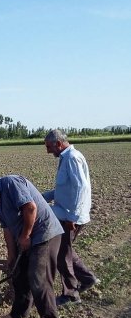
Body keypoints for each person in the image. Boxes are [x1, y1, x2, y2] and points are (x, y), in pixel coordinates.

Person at [0, 170, 64, 318]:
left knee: (38, 276)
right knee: (19, 276)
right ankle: (18, 316)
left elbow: (30, 208)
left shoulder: (10, 183)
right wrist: (12, 255)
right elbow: (7, 228)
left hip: (44, 234)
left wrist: (25, 236)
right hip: (27, 237)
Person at [43, 129, 100, 306]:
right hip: (64, 212)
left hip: (69, 216)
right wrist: (40, 198)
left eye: (49, 146)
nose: (48, 151)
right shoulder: (66, 158)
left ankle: (71, 294)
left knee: (61, 255)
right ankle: (88, 279)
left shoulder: (72, 158)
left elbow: (80, 188)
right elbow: (64, 189)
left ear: (59, 143)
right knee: (66, 251)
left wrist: (72, 217)